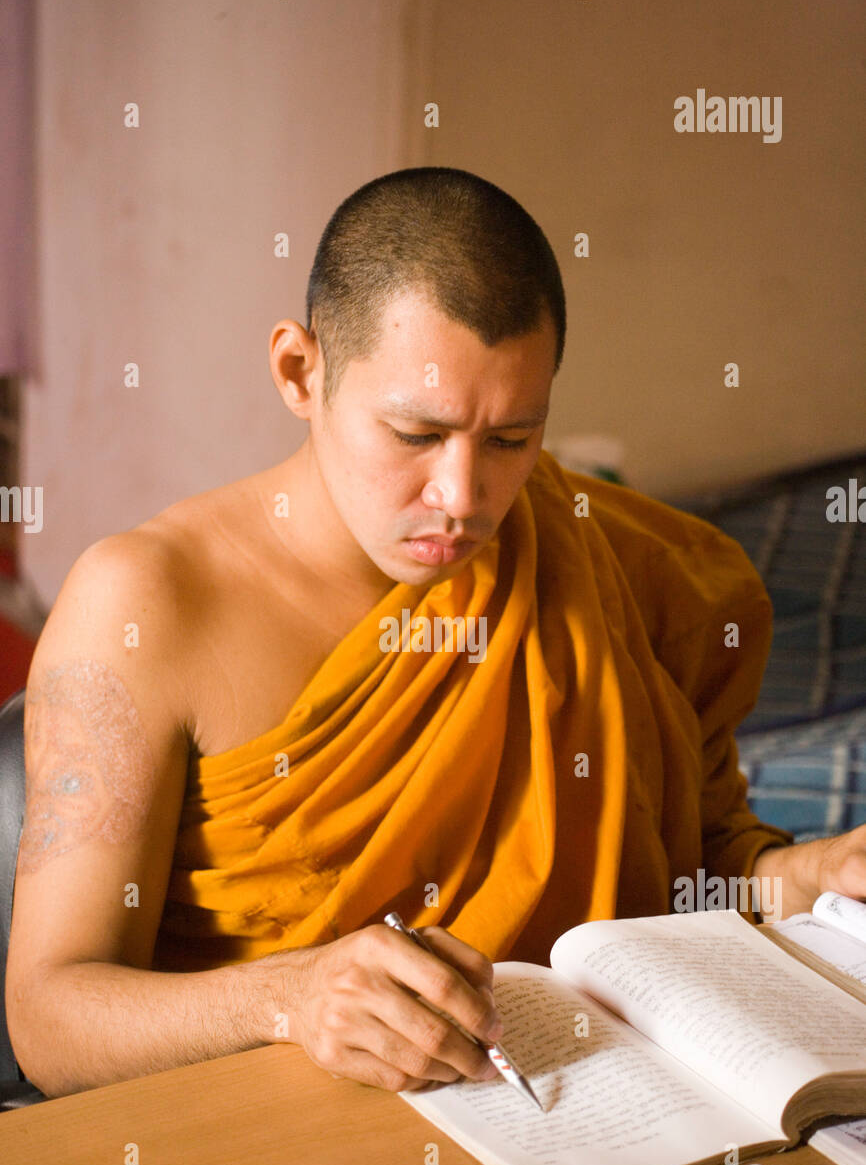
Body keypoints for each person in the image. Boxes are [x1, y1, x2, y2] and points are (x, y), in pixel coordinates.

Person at [7, 167, 864, 1100]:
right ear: (301, 370)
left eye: (509, 441)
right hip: (274, 1141)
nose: (464, 501)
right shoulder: (145, 607)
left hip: (590, 1109)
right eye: (417, 433)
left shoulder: (595, 553)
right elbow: (53, 1020)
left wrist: (807, 877)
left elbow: (693, 871)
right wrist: (289, 1000)